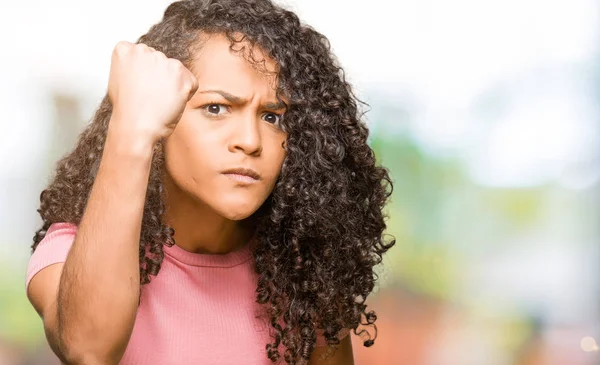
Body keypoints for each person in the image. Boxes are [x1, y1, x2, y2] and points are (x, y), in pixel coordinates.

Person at [25, 0, 396, 364]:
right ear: (161, 115)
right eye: (216, 108)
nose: (249, 141)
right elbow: (90, 351)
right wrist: (131, 127)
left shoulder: (301, 277)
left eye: (273, 117)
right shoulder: (71, 251)